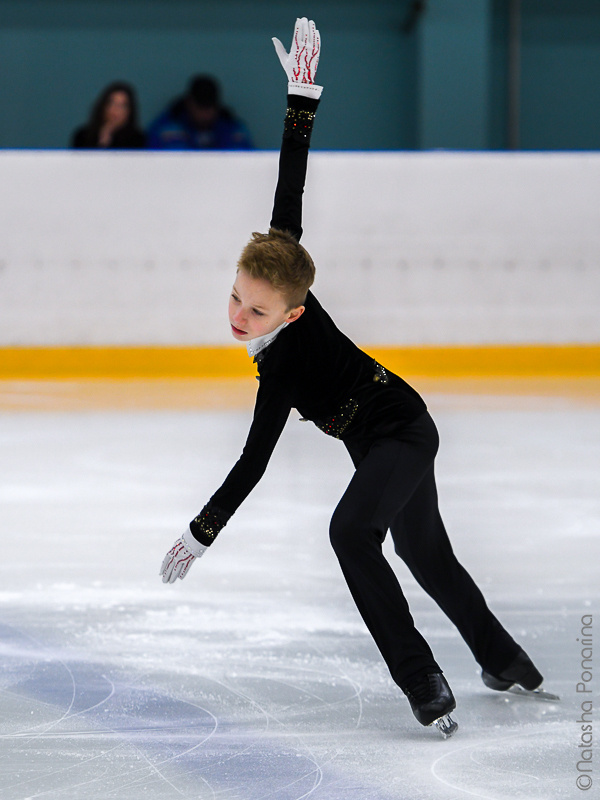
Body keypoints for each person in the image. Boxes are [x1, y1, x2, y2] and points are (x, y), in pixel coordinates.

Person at [160, 18, 548, 736]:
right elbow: (289, 190)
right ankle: (507, 660)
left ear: (294, 309)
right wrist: (301, 95)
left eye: (259, 310)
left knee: (351, 534)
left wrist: (201, 530)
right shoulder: (281, 275)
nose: (241, 316)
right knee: (423, 551)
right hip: (380, 436)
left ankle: (423, 683)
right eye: (237, 299)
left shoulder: (283, 364)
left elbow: (253, 461)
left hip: (401, 427)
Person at [146, 74, 253, 150]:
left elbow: (248, 162)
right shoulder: (165, 131)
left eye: (209, 107)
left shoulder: (235, 132)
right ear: (189, 103)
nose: (205, 113)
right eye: (200, 107)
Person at [71, 81, 146, 149]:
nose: (116, 110)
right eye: (112, 103)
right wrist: (103, 139)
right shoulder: (83, 136)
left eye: (122, 106)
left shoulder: (138, 139)